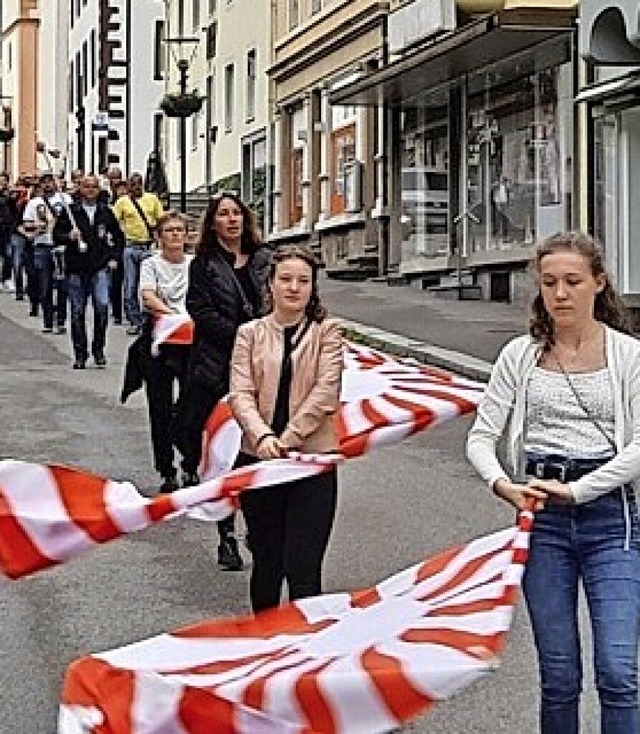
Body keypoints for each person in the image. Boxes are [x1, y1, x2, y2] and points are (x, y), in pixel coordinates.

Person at [466, 231, 640, 734]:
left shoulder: (628, 355)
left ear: (598, 283)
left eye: (572, 281)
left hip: (612, 520)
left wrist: (581, 491)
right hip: (542, 519)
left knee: (619, 672)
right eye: (549, 283)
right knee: (559, 675)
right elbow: (481, 437)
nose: (560, 293)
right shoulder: (520, 356)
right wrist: (504, 484)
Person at [228, 244, 343, 613]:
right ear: (271, 285)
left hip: (311, 461)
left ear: (313, 288)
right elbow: (240, 392)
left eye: (303, 281)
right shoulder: (249, 333)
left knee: (304, 568)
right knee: (267, 563)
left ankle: (304, 655)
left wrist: (289, 438)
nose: (294, 287)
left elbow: (326, 392)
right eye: (286, 279)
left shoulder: (328, 333)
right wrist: (262, 436)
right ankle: (264, 648)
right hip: (258, 461)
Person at [175, 192, 271, 571]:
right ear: (213, 223)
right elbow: (199, 310)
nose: (231, 220)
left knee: (260, 447)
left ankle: (259, 526)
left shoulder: (267, 259)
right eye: (223, 214)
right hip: (218, 367)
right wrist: (242, 338)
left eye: (236, 213)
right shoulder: (203, 265)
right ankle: (226, 534)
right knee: (222, 451)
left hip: (265, 368)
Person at [138, 211, 193, 493]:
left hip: (191, 341)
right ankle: (166, 469)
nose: (174, 235)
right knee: (159, 407)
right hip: (160, 341)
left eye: (179, 230)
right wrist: (174, 316)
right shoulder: (150, 264)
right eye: (169, 230)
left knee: (190, 406)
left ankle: (191, 463)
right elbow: (148, 296)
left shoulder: (195, 265)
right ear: (159, 237)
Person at [53, 174, 124, 369]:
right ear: (80, 189)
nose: (91, 190)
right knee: (77, 312)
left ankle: (98, 349)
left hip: (99, 266)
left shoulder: (105, 212)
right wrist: (69, 235)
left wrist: (113, 257)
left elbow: (118, 238)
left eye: (94, 187)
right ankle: (80, 353)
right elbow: (56, 236)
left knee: (102, 307)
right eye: (87, 186)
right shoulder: (70, 212)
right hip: (76, 268)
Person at [113, 172, 164, 335]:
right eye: (132, 184)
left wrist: (159, 241)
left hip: (148, 247)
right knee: (130, 286)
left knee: (150, 286)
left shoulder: (152, 199)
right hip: (130, 246)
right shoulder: (122, 202)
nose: (135, 187)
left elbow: (160, 221)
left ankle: (148, 319)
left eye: (138, 184)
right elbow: (113, 222)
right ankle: (134, 320)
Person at [20, 172, 71, 334]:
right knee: (44, 285)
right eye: (45, 183)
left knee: (62, 285)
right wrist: (37, 225)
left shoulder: (65, 200)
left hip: (61, 247)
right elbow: (26, 224)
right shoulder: (34, 203)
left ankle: (61, 319)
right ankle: (48, 320)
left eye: (51, 182)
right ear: (40, 186)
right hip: (42, 246)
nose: (48, 185)